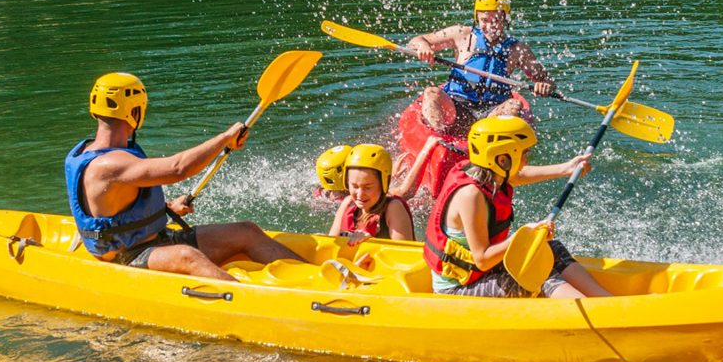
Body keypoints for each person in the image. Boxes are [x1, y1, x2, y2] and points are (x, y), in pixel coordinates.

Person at [65, 72, 304, 281]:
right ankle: (255, 304)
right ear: (135, 111)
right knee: (187, 256)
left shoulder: (93, 152)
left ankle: (324, 281)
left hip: (157, 240)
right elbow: (178, 169)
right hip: (127, 255)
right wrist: (224, 138)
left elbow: (114, 206)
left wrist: (167, 207)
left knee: (246, 231)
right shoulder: (109, 164)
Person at [423, 115, 612, 298]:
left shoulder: (487, 171)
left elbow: (517, 175)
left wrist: (566, 169)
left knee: (552, 249)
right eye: (523, 154)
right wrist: (522, 236)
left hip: (479, 273)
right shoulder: (470, 196)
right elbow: (482, 259)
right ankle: (596, 316)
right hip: (459, 288)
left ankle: (607, 301)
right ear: (502, 159)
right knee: (538, 277)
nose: (526, 160)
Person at [407, 0, 559, 136]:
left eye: (497, 20)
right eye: (484, 20)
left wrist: (544, 86)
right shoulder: (461, 34)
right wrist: (423, 46)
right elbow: (417, 40)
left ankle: (492, 140)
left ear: (506, 19)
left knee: (514, 105)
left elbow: (548, 81)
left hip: (492, 113)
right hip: (456, 107)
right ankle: (438, 139)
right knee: (431, 92)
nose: (490, 26)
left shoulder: (517, 49)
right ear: (476, 18)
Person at [328, 144, 415, 246]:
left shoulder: (393, 208)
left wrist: (371, 242)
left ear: (383, 184)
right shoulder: (348, 203)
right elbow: (331, 244)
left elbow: (403, 256)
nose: (360, 194)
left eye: (367, 187)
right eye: (355, 186)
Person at [314, 135, 442, 203]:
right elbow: (406, 192)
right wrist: (427, 149)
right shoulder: (357, 201)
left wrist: (387, 177)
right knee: (426, 203)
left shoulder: (322, 193)